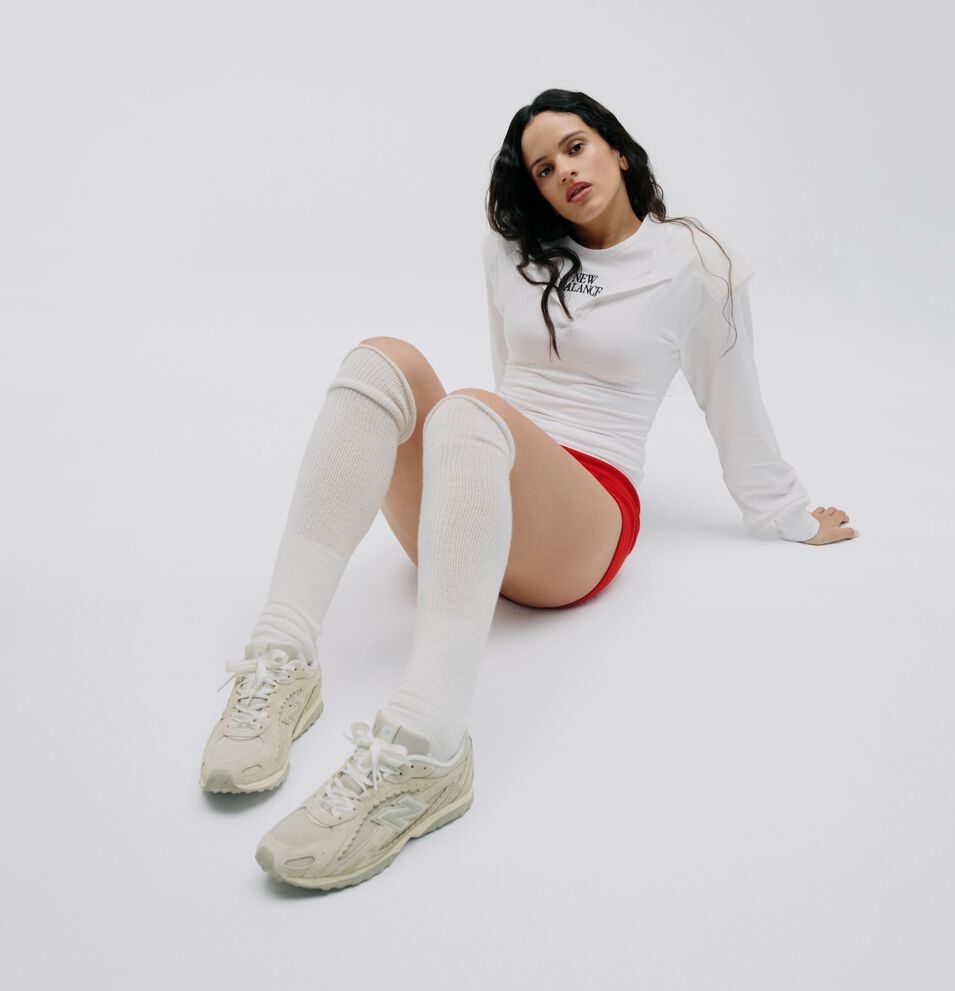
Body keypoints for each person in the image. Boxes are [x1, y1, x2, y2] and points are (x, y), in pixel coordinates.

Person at [200, 87, 860, 892]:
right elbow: (509, 379)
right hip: (476, 485)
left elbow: (735, 403)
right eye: (543, 168)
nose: (563, 173)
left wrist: (786, 514)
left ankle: (427, 745)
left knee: (473, 412)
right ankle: (280, 661)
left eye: (576, 147)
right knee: (381, 358)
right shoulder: (510, 251)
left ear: (617, 149)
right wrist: (469, 457)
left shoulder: (693, 261)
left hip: (582, 522)